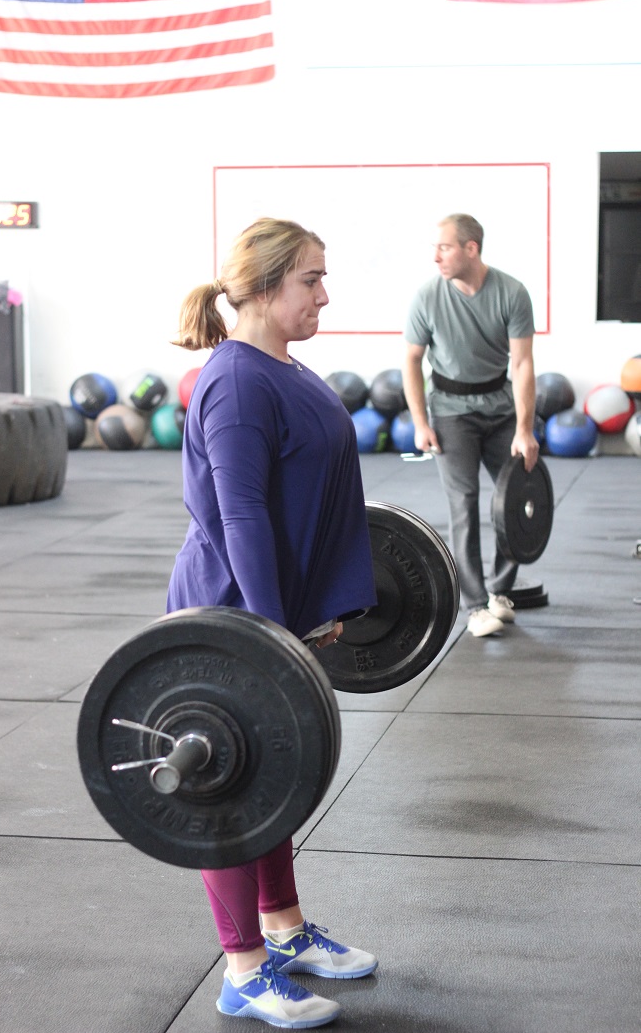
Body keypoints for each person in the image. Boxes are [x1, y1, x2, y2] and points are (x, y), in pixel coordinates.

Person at [166, 217, 379, 1028]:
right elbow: (241, 512)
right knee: (228, 788)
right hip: (232, 610)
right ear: (261, 286)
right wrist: (269, 631)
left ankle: (283, 929)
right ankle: (244, 969)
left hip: (277, 606)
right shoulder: (236, 381)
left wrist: (317, 607)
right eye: (310, 279)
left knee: (273, 776)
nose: (324, 294)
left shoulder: (281, 366)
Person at [402, 213, 539, 638]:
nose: (436, 257)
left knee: (515, 497)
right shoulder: (428, 296)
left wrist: (524, 429)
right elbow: (411, 360)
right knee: (463, 503)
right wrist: (421, 422)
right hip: (450, 411)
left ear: (471, 248)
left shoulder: (511, 293)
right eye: (435, 248)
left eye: (443, 248)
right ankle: (476, 605)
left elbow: (522, 364)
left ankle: (500, 591)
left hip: (500, 407)